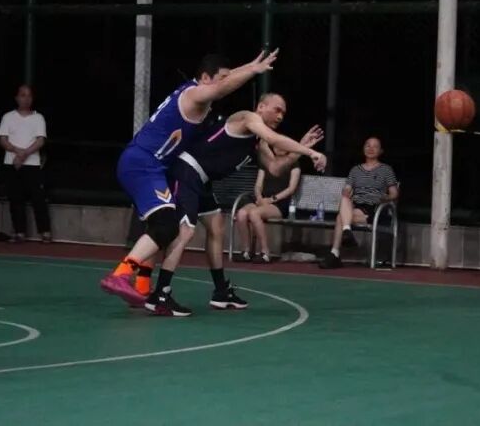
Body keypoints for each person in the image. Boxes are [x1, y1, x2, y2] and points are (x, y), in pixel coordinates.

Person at [100, 50, 278, 306]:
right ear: (205, 78)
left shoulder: (200, 101)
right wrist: (252, 70)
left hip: (152, 166)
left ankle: (142, 286)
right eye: (221, 78)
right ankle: (121, 275)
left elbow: (222, 84)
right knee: (167, 226)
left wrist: (249, 65)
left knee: (159, 228)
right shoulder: (192, 93)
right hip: (143, 164)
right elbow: (220, 89)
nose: (226, 82)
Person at [145, 93, 325, 316]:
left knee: (216, 227)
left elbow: (275, 168)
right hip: (186, 170)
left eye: (283, 113)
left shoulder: (257, 141)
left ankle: (221, 291)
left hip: (201, 180)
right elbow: (276, 140)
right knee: (185, 231)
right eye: (277, 109)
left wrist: (300, 149)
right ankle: (160, 294)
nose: (280, 116)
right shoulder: (247, 118)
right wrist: (310, 152)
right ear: (261, 106)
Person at [319, 137, 399, 269]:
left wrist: (387, 198)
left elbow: (394, 193)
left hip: (375, 208)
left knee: (340, 217)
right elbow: (347, 189)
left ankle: (335, 253)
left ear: (381, 151)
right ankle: (346, 232)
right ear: (363, 148)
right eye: (368, 145)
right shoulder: (355, 170)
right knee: (345, 199)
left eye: (375, 146)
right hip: (357, 206)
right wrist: (346, 191)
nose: (370, 149)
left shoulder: (386, 169)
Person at [0, 84, 52, 243]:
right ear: (17, 98)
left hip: (32, 164)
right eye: (22, 95)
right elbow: (3, 140)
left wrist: (23, 154)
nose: (26, 99)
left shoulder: (38, 118)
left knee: (38, 198)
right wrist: (16, 151)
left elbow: (40, 140)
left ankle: (45, 231)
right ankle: (19, 232)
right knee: (15, 198)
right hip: (11, 163)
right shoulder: (8, 117)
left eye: (29, 95)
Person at [234, 147, 301, 263]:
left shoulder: (294, 163)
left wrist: (271, 200)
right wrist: (259, 197)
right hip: (262, 200)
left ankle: (265, 252)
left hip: (279, 203)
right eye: (276, 144)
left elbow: (291, 189)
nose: (279, 147)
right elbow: (258, 185)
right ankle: (246, 251)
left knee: (254, 214)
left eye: (281, 144)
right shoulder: (266, 162)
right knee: (241, 213)